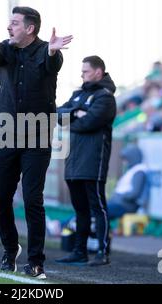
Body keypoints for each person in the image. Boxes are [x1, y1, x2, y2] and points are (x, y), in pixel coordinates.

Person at [0, 6, 73, 279]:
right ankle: (10, 249)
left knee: (32, 198)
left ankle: (36, 261)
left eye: (15, 23)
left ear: (30, 28)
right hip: (7, 133)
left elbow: (53, 64)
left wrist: (53, 51)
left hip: (38, 135)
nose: (9, 27)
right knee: (0, 197)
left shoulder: (46, 51)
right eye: (9, 23)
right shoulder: (5, 48)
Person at [55, 56, 116, 266]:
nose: (82, 75)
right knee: (80, 209)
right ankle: (79, 251)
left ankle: (103, 251)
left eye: (86, 72)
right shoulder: (78, 94)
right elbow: (57, 115)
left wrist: (73, 119)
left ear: (98, 72)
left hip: (93, 161)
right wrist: (76, 113)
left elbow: (89, 122)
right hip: (73, 161)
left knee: (98, 208)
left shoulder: (105, 97)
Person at [107, 144, 148, 220]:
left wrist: (120, 197)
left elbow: (134, 193)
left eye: (126, 159)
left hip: (127, 206)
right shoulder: (132, 170)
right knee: (97, 208)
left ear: (132, 158)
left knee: (103, 210)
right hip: (119, 203)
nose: (124, 162)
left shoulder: (139, 172)